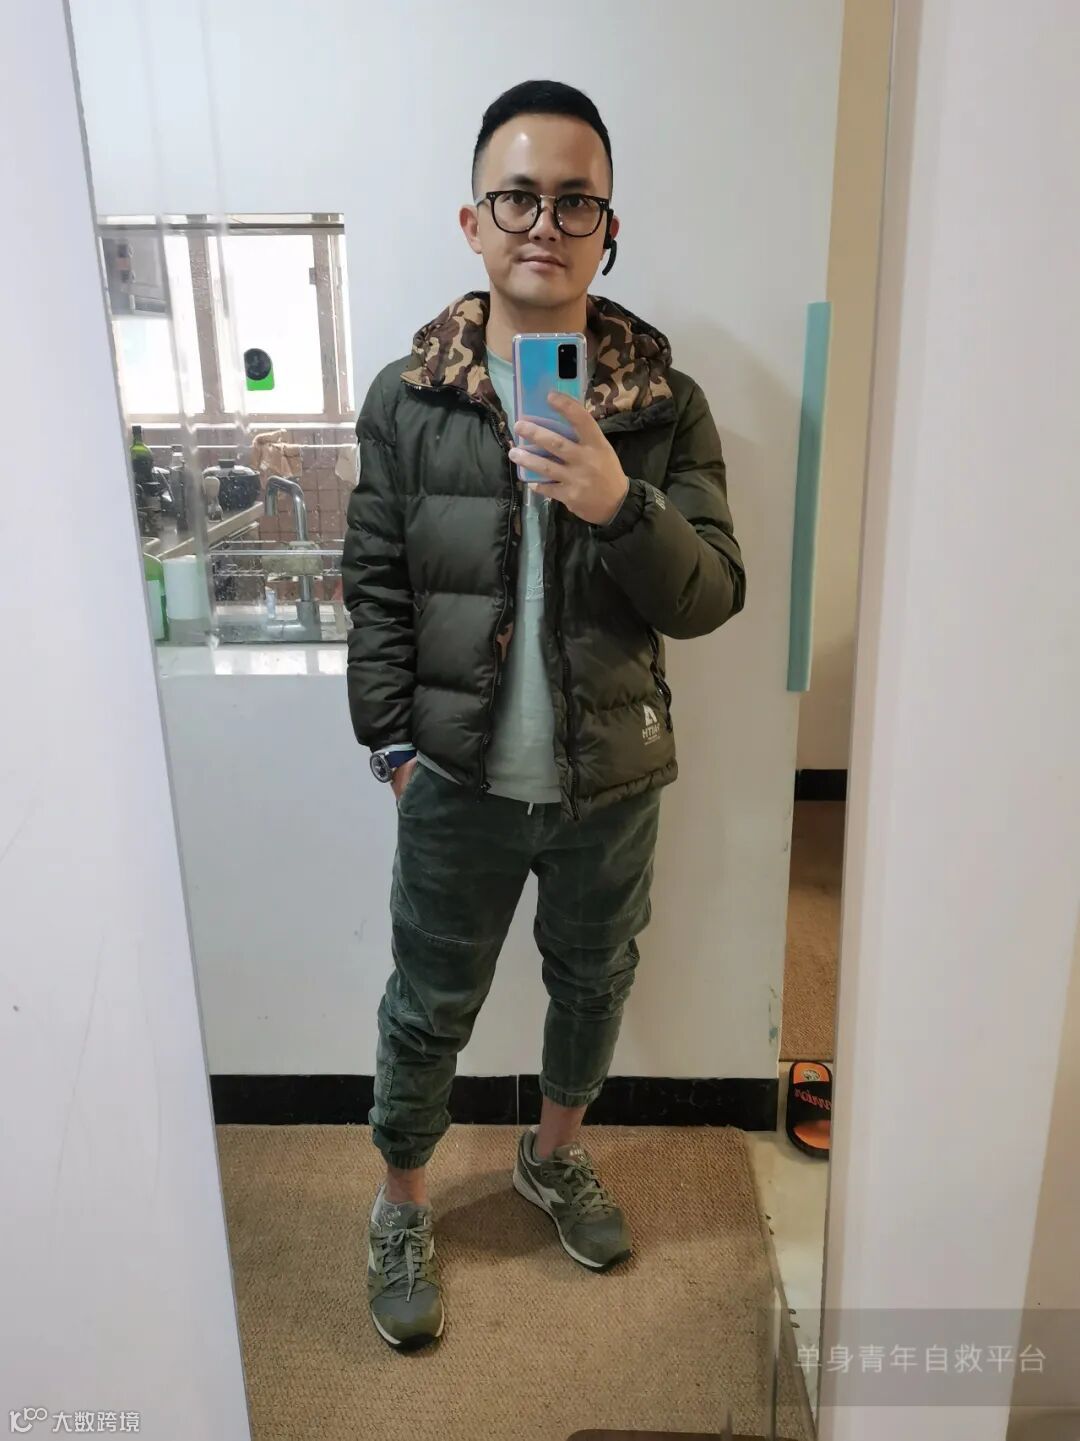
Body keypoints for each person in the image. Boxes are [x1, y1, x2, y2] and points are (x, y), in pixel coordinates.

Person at [342, 78, 746, 1351]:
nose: (544, 224)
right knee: (429, 1002)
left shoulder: (663, 404)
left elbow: (710, 595)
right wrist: (393, 745)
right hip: (454, 778)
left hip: (608, 783)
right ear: (474, 221)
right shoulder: (408, 399)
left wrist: (621, 502)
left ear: (607, 229)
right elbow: (376, 586)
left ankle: (552, 1152)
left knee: (593, 982)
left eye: (576, 202)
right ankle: (402, 1200)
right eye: (517, 197)